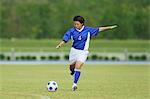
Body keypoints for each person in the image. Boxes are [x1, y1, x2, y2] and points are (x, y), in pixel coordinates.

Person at [56, 15, 117, 91]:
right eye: (74, 24)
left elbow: (99, 29)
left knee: (78, 66)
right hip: (74, 51)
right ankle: (72, 72)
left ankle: (75, 84)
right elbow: (66, 38)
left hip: (83, 52)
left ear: (82, 24)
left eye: (77, 24)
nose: (75, 25)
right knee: (72, 67)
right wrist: (61, 44)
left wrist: (109, 27)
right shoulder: (71, 31)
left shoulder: (88, 30)